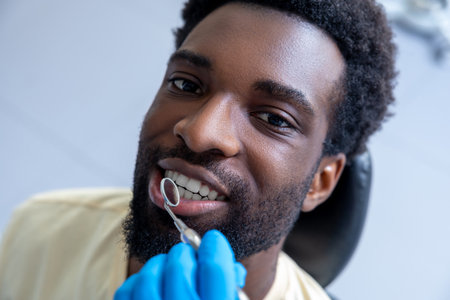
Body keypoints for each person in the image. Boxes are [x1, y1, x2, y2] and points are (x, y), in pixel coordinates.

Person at [0, 0, 396, 299]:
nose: (200, 131)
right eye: (186, 84)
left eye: (275, 118)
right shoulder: (43, 228)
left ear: (320, 182)